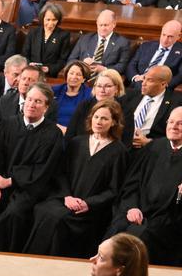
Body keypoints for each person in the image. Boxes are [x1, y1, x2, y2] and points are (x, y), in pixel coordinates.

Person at [0, 83, 64, 252]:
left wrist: (10, 181)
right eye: (30, 99)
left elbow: (43, 170)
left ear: (46, 107)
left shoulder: (53, 134)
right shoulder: (8, 125)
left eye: (38, 101)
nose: (32, 104)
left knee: (14, 213)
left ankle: (6, 262)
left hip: (28, 188)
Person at [25, 100, 127, 258]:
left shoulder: (119, 151)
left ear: (114, 122)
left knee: (60, 219)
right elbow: (61, 173)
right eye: (96, 117)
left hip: (90, 208)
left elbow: (114, 189)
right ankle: (32, 260)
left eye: (104, 118)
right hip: (65, 198)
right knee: (42, 210)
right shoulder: (77, 143)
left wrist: (88, 203)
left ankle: (53, 264)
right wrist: (67, 196)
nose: (99, 122)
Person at [106, 106, 182, 265]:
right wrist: (132, 207)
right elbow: (131, 184)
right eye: (171, 122)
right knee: (118, 225)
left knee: (142, 234)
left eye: (180, 123)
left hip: (169, 219)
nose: (174, 126)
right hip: (138, 210)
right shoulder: (153, 148)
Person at [65, 9, 131, 75]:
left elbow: (122, 66)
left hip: (106, 77)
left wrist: (104, 69)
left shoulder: (122, 42)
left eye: (106, 25)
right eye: (100, 25)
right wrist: (82, 64)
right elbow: (71, 60)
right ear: (97, 24)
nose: (103, 28)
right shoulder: (85, 39)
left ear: (114, 24)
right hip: (83, 76)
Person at [66, 69, 126, 139]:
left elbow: (126, 142)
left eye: (108, 86)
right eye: (99, 86)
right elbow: (69, 135)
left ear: (117, 88)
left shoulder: (125, 108)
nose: (102, 90)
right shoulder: (84, 105)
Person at [126, 21, 182, 90]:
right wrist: (135, 77)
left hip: (160, 88)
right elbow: (132, 64)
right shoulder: (146, 46)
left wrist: (162, 86)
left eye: (170, 36)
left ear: (178, 36)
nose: (165, 40)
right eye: (163, 35)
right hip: (138, 83)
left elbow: (180, 75)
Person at [23, 3, 71, 77]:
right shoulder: (33, 32)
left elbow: (63, 60)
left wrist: (49, 69)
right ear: (42, 18)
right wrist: (30, 64)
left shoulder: (64, 35)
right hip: (31, 72)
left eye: (54, 20)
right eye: (48, 19)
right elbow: (25, 54)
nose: (50, 23)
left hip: (49, 75)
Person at [53, 61, 92, 129]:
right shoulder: (54, 91)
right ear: (66, 75)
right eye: (71, 73)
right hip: (54, 129)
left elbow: (87, 120)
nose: (74, 77)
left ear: (84, 79)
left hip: (76, 132)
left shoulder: (90, 94)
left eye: (78, 74)